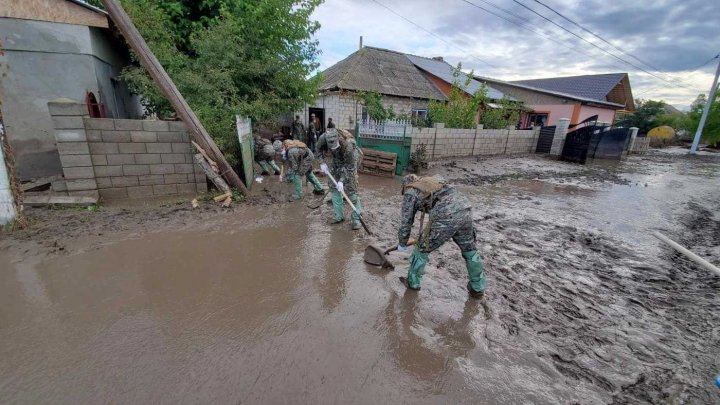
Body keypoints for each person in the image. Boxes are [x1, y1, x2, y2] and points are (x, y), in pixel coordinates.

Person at [396, 174, 486, 299]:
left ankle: (412, 283)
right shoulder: (434, 180)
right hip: (465, 209)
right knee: (469, 250)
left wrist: (402, 243)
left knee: (422, 247)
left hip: (446, 213)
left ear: (405, 185)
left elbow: (406, 221)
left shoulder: (410, 191)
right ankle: (478, 288)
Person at [317, 128, 363, 230]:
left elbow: (350, 167)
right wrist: (322, 163)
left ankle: (356, 218)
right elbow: (318, 150)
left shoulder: (349, 146)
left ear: (338, 139)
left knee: (351, 190)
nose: (333, 147)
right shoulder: (323, 138)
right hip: (335, 160)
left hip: (350, 162)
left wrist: (341, 181)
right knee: (334, 187)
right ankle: (339, 216)